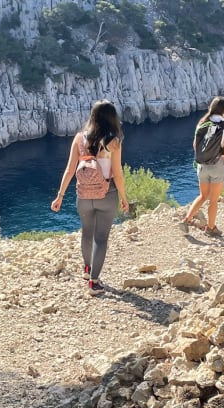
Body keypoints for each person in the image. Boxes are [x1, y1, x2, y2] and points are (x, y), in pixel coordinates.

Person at [51, 99, 129, 295]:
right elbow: (117, 173)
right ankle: (94, 282)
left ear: (93, 116)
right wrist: (124, 197)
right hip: (107, 194)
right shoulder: (114, 142)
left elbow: (70, 170)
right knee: (101, 238)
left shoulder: (79, 139)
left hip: (83, 195)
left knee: (87, 232)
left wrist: (59, 196)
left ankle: (87, 270)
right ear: (112, 118)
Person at [180, 96, 224, 237]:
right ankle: (210, 228)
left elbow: (195, 146)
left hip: (201, 166)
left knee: (203, 195)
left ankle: (186, 220)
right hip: (217, 166)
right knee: (213, 200)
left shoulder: (202, 123)